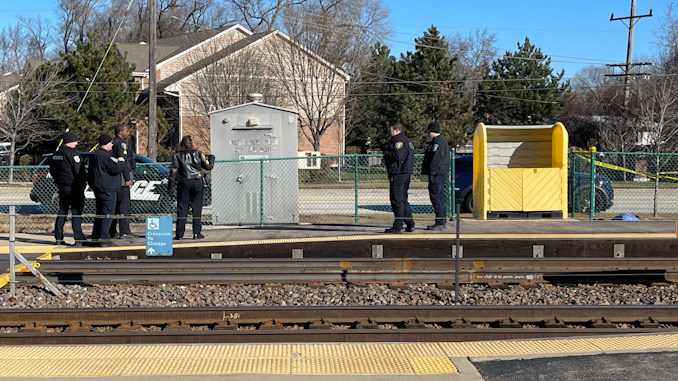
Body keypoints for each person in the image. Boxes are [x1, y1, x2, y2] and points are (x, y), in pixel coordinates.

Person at [168, 135, 215, 240]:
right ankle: (196, 233)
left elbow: (173, 172)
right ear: (191, 143)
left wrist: (170, 187)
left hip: (184, 181)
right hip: (197, 181)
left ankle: (179, 234)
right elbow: (208, 166)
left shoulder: (177, 155)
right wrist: (211, 159)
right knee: (197, 207)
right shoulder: (198, 153)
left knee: (182, 208)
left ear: (182, 144)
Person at [49, 131, 87, 246]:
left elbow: (52, 171)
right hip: (74, 187)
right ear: (69, 142)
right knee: (76, 212)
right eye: (75, 141)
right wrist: (82, 185)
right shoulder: (73, 155)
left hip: (62, 186)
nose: (76, 144)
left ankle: (58, 237)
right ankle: (78, 238)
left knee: (62, 211)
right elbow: (79, 172)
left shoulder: (55, 155)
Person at [87, 133, 122, 246]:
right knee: (108, 214)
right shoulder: (106, 156)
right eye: (111, 143)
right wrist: (121, 160)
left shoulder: (94, 155)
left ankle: (95, 237)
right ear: (107, 144)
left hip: (98, 188)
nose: (112, 145)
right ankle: (104, 238)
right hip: (108, 189)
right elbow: (116, 169)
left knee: (100, 214)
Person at [383, 122, 415, 234]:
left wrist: (386, 153)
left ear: (396, 130)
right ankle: (410, 223)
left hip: (398, 173)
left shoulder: (399, 141)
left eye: (390, 130)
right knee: (403, 199)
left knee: (396, 199)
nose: (389, 132)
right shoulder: (408, 141)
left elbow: (398, 156)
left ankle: (398, 225)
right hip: (405, 172)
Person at [421, 121, 450, 230]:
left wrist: (432, 174)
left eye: (428, 131)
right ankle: (441, 220)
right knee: (438, 197)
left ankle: (440, 221)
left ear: (431, 131)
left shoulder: (438, 143)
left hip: (437, 174)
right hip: (438, 174)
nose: (427, 134)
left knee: (436, 197)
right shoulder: (438, 142)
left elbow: (436, 160)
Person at [109, 123, 135, 239]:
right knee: (124, 206)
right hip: (122, 179)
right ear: (120, 132)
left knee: (114, 206)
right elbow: (123, 162)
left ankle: (112, 231)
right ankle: (124, 231)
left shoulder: (112, 143)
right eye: (126, 131)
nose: (128, 133)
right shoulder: (121, 144)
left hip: (115, 179)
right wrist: (127, 178)